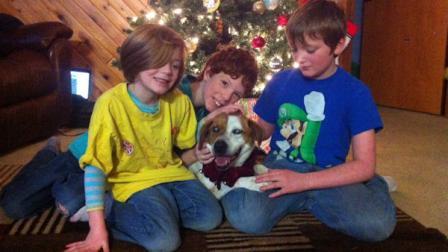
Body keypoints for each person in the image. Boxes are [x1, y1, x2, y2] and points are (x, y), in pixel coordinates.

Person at [0, 45, 258, 223]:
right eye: (224, 83)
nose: (226, 96)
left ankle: (65, 186)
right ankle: (48, 154)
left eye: (236, 94)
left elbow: (168, 164)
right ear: (209, 72)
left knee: (69, 200)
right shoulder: (170, 88)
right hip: (93, 152)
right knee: (13, 205)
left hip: (126, 169)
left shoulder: (214, 122)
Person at [220, 0, 396, 242]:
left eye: (310, 50)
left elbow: (364, 165)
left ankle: (375, 186)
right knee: (247, 217)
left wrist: (305, 181)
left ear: (340, 44)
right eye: (294, 49)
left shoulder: (356, 93)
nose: (300, 58)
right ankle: (303, 199)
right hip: (282, 167)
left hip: (329, 175)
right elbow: (262, 132)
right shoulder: (281, 81)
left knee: (377, 226)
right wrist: (237, 128)